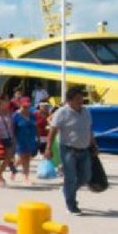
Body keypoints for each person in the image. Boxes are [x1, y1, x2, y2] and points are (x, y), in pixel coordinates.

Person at [45, 86, 96, 215]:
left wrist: (94, 145)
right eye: (77, 98)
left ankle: (68, 190)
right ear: (69, 100)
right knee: (71, 177)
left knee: (86, 177)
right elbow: (53, 131)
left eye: (82, 98)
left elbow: (88, 130)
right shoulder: (61, 113)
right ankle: (71, 205)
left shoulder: (86, 111)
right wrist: (48, 148)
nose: (81, 101)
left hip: (84, 149)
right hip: (68, 150)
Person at [12, 97, 38, 183]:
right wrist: (13, 140)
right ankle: (25, 177)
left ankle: (14, 169)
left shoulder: (32, 115)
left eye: (28, 107)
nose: (26, 109)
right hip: (20, 139)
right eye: (24, 107)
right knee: (23, 157)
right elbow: (12, 129)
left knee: (27, 157)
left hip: (30, 139)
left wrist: (37, 137)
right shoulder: (16, 116)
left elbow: (35, 126)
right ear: (20, 105)